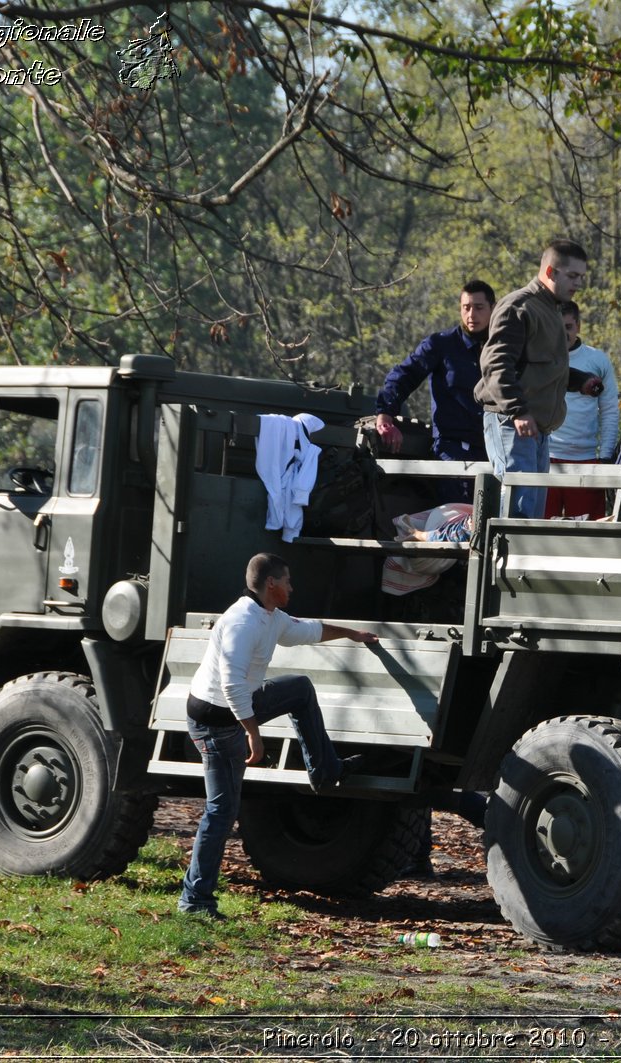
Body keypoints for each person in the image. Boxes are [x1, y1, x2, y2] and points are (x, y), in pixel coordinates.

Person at [178, 553, 379, 919]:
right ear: (271, 584)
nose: (292, 587)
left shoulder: (270, 615)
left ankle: (324, 770)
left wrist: (353, 634)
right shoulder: (242, 622)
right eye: (287, 580)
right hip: (215, 719)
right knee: (221, 810)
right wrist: (253, 735)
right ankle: (195, 901)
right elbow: (231, 685)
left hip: (238, 706)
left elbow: (310, 630)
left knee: (298, 688)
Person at [475, 239, 589, 519]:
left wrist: (579, 381)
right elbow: (496, 363)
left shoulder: (550, 309)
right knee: (518, 510)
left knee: (531, 514)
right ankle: (502, 564)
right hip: (512, 423)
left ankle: (520, 562)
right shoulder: (519, 307)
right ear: (550, 272)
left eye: (582, 277)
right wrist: (518, 410)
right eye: (572, 276)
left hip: (534, 427)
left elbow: (539, 369)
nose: (578, 284)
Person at [373, 280, 495, 503]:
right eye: (466, 307)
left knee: (494, 514)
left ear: (492, 309)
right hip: (453, 449)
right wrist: (385, 413)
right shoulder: (441, 345)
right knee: (458, 515)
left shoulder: (501, 348)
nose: (471, 314)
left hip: (494, 447)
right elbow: (404, 375)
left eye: (479, 307)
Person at [544, 300, 618, 519]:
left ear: (578, 326)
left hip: (586, 460)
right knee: (539, 532)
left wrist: (604, 457)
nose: (562, 334)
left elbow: (610, 411)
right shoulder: (538, 359)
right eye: (557, 328)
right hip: (544, 458)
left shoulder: (597, 359)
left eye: (567, 327)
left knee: (589, 534)